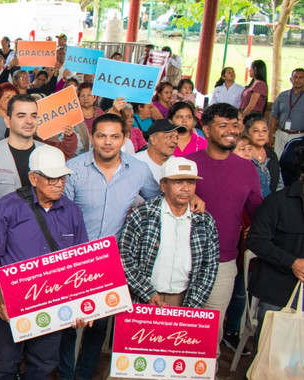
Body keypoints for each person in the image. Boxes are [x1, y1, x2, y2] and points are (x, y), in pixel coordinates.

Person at [59, 114, 163, 380]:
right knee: (67, 324)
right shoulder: (73, 168)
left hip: (112, 261)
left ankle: (83, 376)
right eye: (102, 136)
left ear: (124, 139)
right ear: (92, 138)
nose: (108, 142)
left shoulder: (139, 170)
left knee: (99, 327)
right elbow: (61, 216)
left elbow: (157, 202)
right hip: (74, 259)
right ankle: (65, 375)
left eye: (115, 137)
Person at [0, 145, 89, 380]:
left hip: (53, 301)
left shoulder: (72, 212)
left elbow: (81, 260)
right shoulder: (8, 206)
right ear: (33, 178)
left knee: (43, 365)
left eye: (62, 178)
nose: (59, 184)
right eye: (52, 179)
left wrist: (79, 305)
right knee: (3, 364)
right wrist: (2, 298)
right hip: (13, 299)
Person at [186, 103, 263, 348]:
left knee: (210, 337)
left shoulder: (247, 168)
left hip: (224, 262)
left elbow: (258, 211)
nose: (232, 130)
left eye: (235, 125)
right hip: (182, 259)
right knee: (177, 330)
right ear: (207, 130)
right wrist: (188, 195)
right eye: (223, 125)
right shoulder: (187, 163)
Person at [120, 156, 220, 308]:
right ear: (163, 185)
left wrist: (193, 304)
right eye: (178, 182)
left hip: (184, 298)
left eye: (191, 182)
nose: (186, 188)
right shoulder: (143, 214)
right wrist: (147, 292)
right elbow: (124, 257)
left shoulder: (204, 221)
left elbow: (209, 266)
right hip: (144, 297)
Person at [246, 152, 304, 353]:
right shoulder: (278, 202)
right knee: (269, 355)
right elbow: (255, 240)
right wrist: (291, 262)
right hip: (277, 292)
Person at [0, 94, 45, 201]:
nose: (29, 121)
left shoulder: (47, 152)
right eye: (21, 116)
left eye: (33, 116)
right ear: (8, 121)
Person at [243, 114, 282, 197]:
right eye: (256, 131)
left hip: (272, 202)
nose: (261, 134)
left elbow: (279, 185)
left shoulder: (272, 156)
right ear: (247, 133)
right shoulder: (244, 156)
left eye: (264, 131)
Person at [269, 68, 304, 157]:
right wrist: (270, 134)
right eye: (295, 77)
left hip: (298, 135)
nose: (297, 80)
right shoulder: (282, 95)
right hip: (281, 133)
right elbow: (273, 115)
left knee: (294, 161)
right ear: (291, 79)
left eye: (301, 77)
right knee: (277, 159)